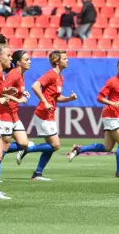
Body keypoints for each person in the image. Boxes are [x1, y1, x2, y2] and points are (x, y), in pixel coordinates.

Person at [67, 56, 119, 179]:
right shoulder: (112, 81)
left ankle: (79, 149)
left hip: (117, 115)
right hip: (110, 114)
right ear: (117, 67)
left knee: (107, 147)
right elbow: (99, 97)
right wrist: (113, 103)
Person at [16, 50, 77, 181]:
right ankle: (28, 149)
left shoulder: (60, 77)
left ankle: (37, 174)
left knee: (50, 147)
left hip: (49, 113)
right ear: (56, 61)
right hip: (44, 113)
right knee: (56, 145)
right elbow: (35, 86)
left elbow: (57, 97)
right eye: (65, 58)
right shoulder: (51, 74)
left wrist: (69, 99)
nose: (68, 60)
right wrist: (45, 101)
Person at [0, 50, 30, 164]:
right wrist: (18, 99)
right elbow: (1, 92)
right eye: (26, 60)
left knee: (24, 143)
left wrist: (23, 93)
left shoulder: (21, 74)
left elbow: (13, 91)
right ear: (18, 63)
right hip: (5, 113)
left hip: (14, 114)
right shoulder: (13, 74)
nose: (29, 62)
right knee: (6, 144)